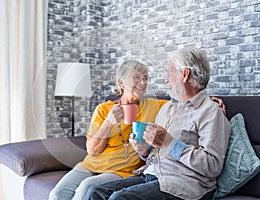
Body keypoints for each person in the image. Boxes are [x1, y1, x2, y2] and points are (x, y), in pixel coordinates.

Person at [84, 47, 231, 200]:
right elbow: (154, 151)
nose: (166, 79)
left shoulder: (211, 111)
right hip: (151, 174)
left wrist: (169, 142)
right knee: (95, 192)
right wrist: (144, 151)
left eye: (170, 73)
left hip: (184, 183)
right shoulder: (167, 107)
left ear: (185, 75)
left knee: (119, 199)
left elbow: (212, 166)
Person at [48, 60, 168, 200]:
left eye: (146, 78)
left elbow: (180, 103)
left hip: (122, 170)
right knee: (57, 193)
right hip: (91, 165)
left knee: (86, 186)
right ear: (121, 83)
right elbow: (92, 151)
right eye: (137, 78)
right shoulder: (103, 109)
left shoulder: (155, 106)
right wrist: (108, 122)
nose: (143, 82)